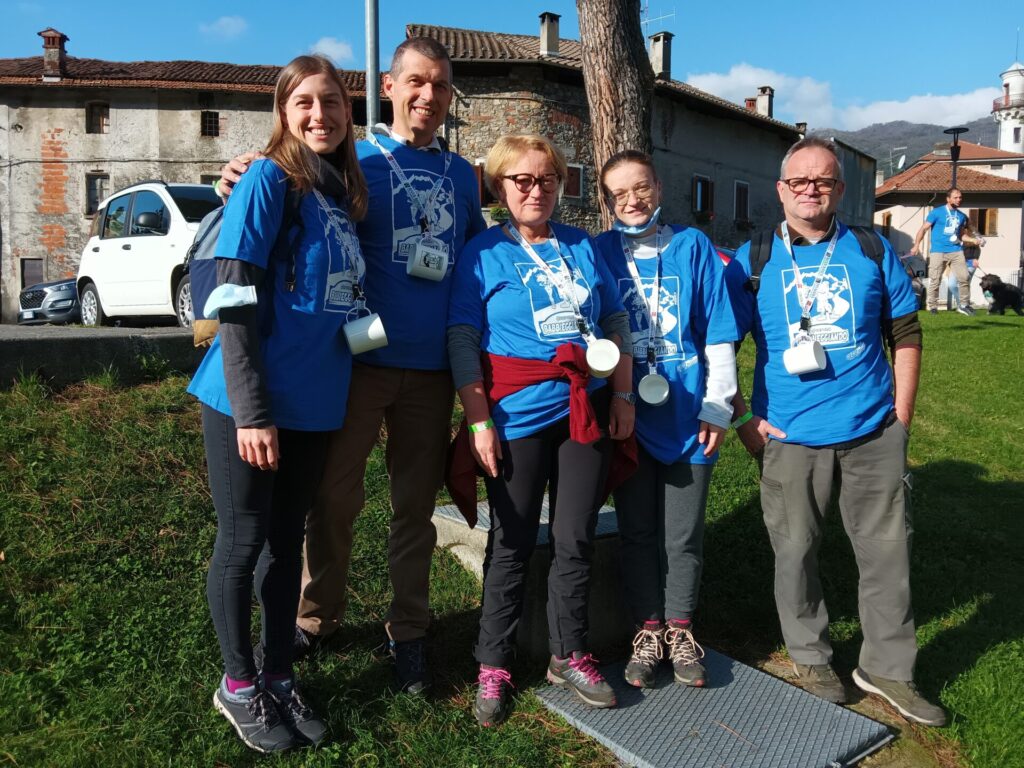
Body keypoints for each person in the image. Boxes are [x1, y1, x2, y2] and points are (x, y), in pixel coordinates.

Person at [220, 37, 487, 693]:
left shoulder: (460, 174)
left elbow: (483, 250)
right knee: (332, 502)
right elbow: (277, 193)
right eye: (416, 82)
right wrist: (233, 176)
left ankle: (411, 632)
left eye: (442, 86)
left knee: (412, 511)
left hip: (429, 373)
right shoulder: (350, 158)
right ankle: (316, 618)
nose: (429, 95)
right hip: (355, 363)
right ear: (389, 88)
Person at [730, 137, 947, 727]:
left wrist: (901, 418)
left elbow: (905, 334)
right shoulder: (753, 260)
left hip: (872, 429)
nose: (810, 190)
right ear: (780, 189)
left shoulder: (871, 250)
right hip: (792, 434)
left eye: (822, 181)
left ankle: (888, 669)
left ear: (839, 190)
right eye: (799, 181)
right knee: (795, 551)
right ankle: (810, 654)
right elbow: (720, 347)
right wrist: (746, 422)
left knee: (886, 552)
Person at [188, 55, 368, 752]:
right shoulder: (270, 178)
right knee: (242, 543)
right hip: (248, 401)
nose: (320, 114)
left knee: (285, 548)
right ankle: (237, 685)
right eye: (305, 103)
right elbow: (232, 295)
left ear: (349, 114)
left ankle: (278, 672)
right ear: (284, 112)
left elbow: (342, 302)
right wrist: (253, 408)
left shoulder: (342, 196)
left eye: (332, 102)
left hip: (317, 403)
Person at [447, 134, 634, 727]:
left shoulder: (581, 246)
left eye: (547, 179)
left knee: (575, 537)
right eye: (522, 180)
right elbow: (462, 340)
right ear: (501, 187)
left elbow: (612, 319)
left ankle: (569, 652)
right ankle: (493, 661)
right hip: (515, 416)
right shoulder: (482, 253)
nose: (535, 190)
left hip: (585, 408)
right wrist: (478, 419)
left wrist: (623, 392)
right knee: (512, 542)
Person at [593, 150, 739, 689]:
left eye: (642, 187)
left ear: (659, 186)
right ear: (607, 200)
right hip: (628, 413)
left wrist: (718, 404)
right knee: (636, 531)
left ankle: (680, 629)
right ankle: (646, 629)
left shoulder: (693, 246)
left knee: (682, 536)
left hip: (688, 415)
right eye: (619, 193)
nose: (633, 200)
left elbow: (717, 330)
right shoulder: (600, 251)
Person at [909, 187, 985, 315]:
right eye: (955, 197)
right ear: (948, 199)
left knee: (964, 277)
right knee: (935, 279)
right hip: (938, 251)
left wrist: (973, 240)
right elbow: (923, 229)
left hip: (956, 250)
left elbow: (961, 235)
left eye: (960, 197)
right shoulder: (937, 213)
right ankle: (933, 307)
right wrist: (916, 245)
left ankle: (965, 305)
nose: (959, 199)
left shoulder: (961, 216)